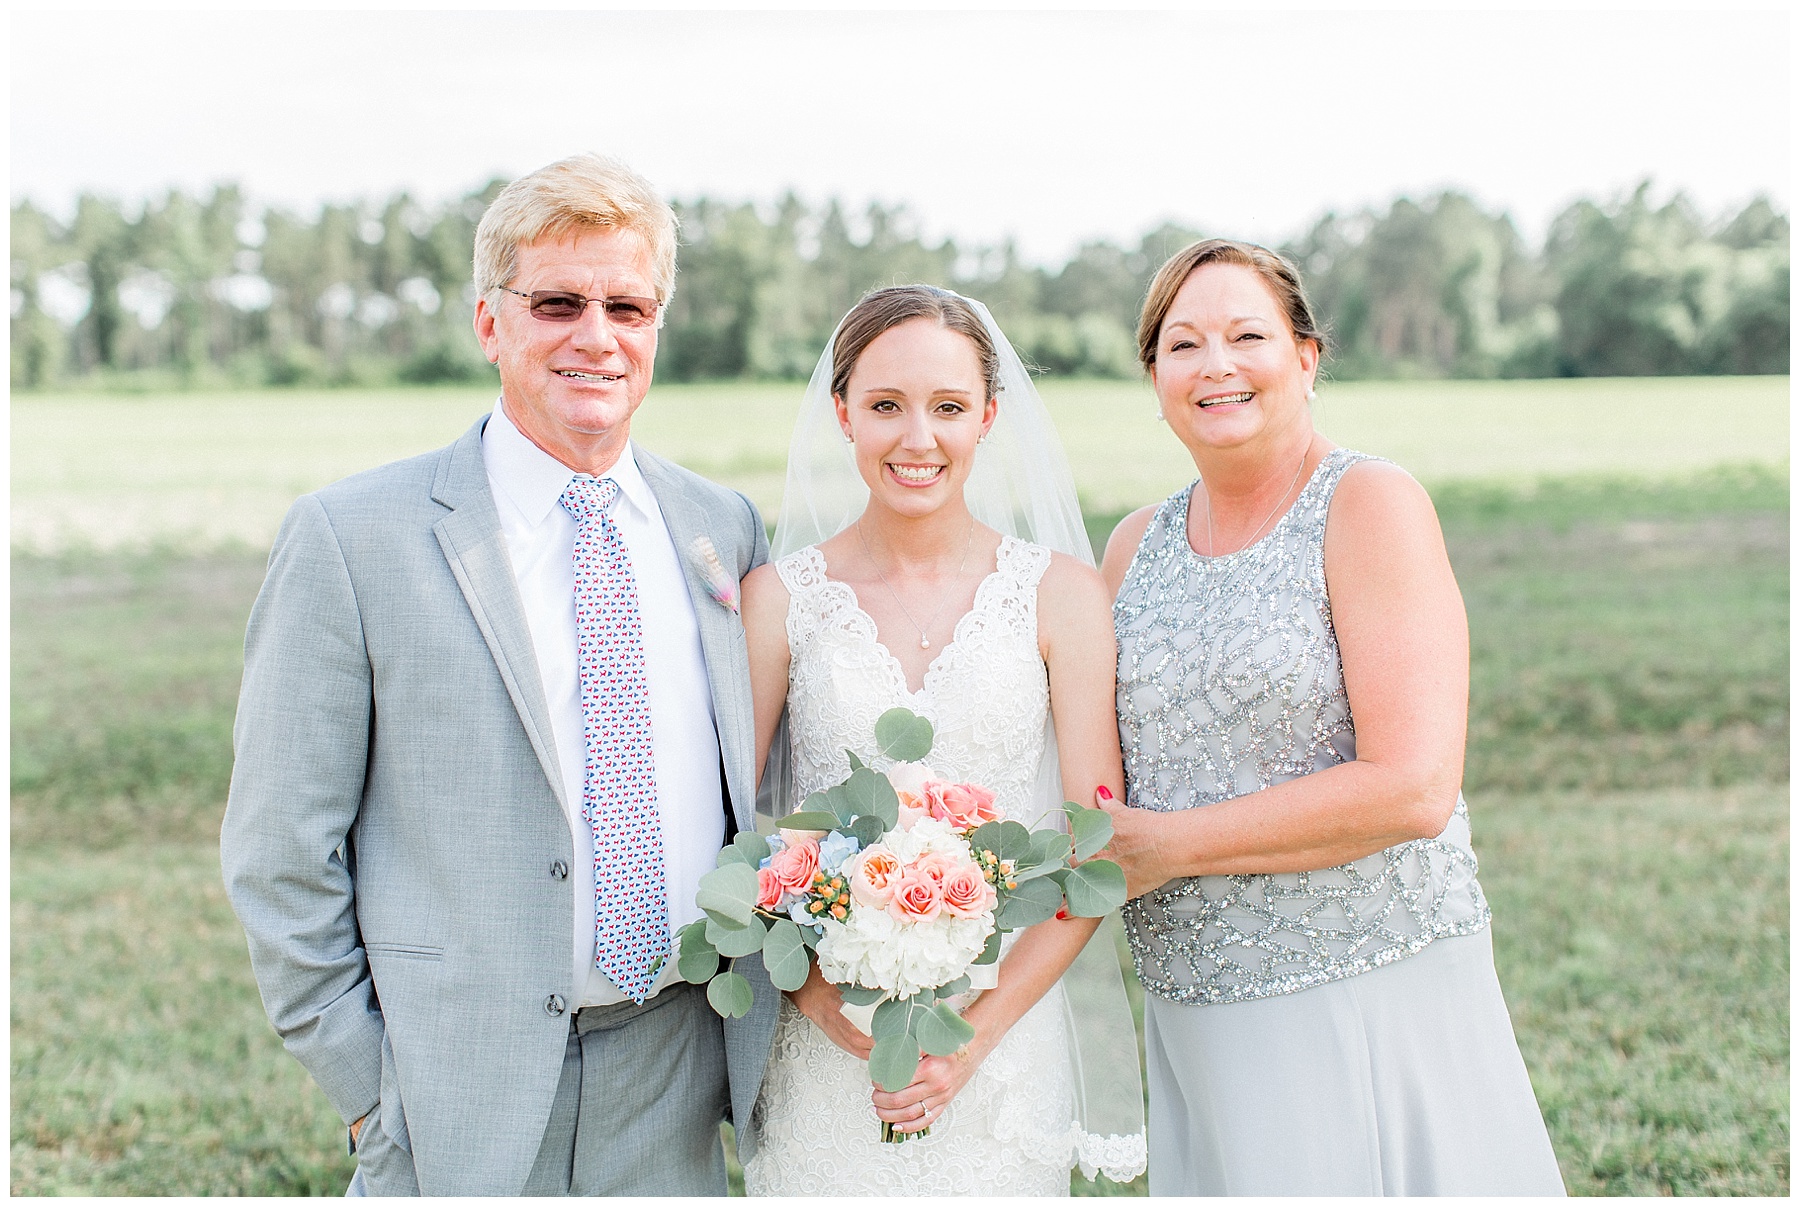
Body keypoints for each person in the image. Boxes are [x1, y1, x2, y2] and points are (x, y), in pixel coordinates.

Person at [219, 153, 778, 1195]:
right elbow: (279, 849)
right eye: (558, 303)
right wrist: (366, 1088)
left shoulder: (723, 527)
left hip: (675, 1072)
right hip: (450, 1090)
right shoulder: (352, 537)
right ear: (489, 322)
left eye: (626, 306)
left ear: (656, 327)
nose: (596, 336)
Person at [1097, 239, 1565, 1196]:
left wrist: (1170, 847)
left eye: (1248, 336)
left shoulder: (1368, 503)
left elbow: (1415, 786)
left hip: (1366, 979)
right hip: (1197, 997)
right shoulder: (1132, 546)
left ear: (1305, 358)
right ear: (1155, 379)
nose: (1216, 364)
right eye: (1184, 344)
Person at [738, 285, 1147, 1195]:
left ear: (989, 417)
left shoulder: (1062, 596)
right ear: (842, 411)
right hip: (832, 1055)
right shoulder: (782, 600)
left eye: (949, 407)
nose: (918, 438)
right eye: (886, 404)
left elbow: (1094, 849)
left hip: (1003, 1051)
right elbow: (735, 831)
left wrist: (972, 1040)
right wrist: (816, 995)